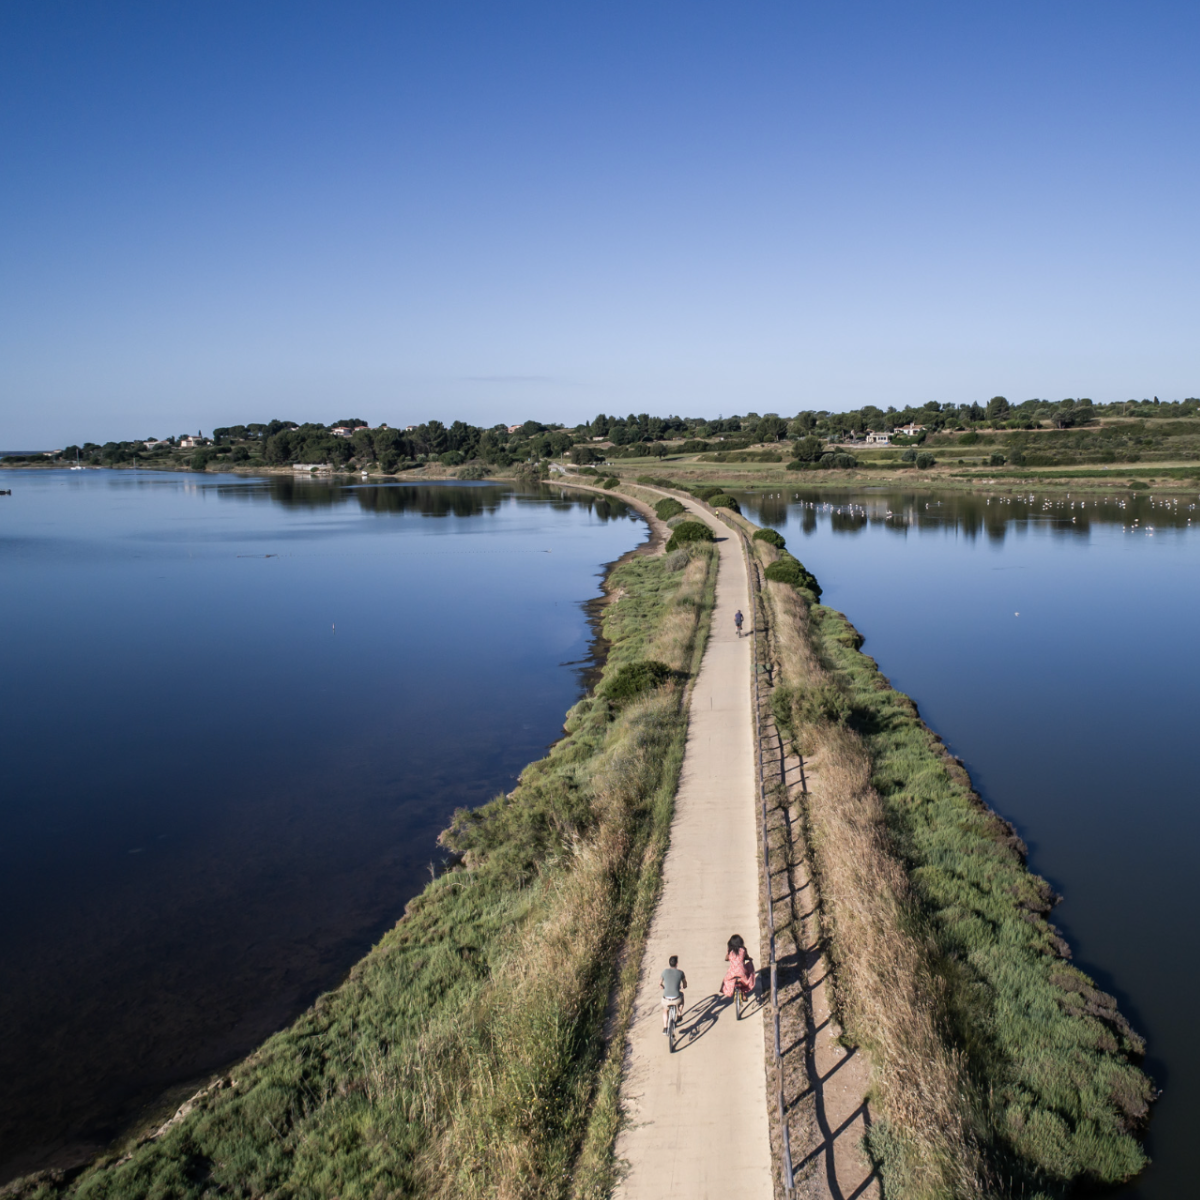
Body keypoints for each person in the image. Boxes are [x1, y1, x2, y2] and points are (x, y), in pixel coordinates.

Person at [720, 933, 756, 999]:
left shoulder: (730, 950)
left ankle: (730, 991)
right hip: (741, 972)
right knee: (747, 975)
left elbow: (726, 958)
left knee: (725, 981)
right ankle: (744, 994)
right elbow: (747, 957)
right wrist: (749, 959)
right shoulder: (743, 950)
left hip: (732, 973)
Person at [660, 955, 687, 1032]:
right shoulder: (681, 973)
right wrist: (684, 986)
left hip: (666, 999)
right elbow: (684, 983)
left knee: (665, 1010)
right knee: (682, 995)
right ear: (677, 964)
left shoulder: (664, 972)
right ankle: (679, 1014)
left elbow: (660, 983)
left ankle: (665, 1028)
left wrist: (661, 986)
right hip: (676, 999)